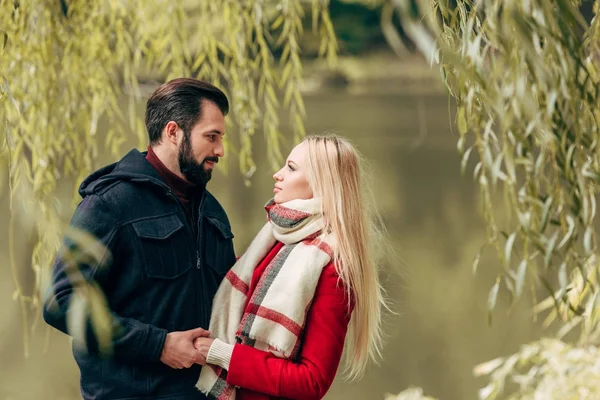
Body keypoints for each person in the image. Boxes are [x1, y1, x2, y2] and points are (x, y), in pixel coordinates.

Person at [42, 78, 237, 400]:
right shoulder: (110, 203)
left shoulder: (211, 211)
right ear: (173, 132)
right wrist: (158, 345)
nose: (220, 150)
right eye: (211, 137)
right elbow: (60, 302)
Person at [194, 135, 386, 400]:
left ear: (322, 183)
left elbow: (311, 382)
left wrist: (224, 355)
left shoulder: (333, 267)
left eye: (291, 168)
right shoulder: (276, 238)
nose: (277, 174)